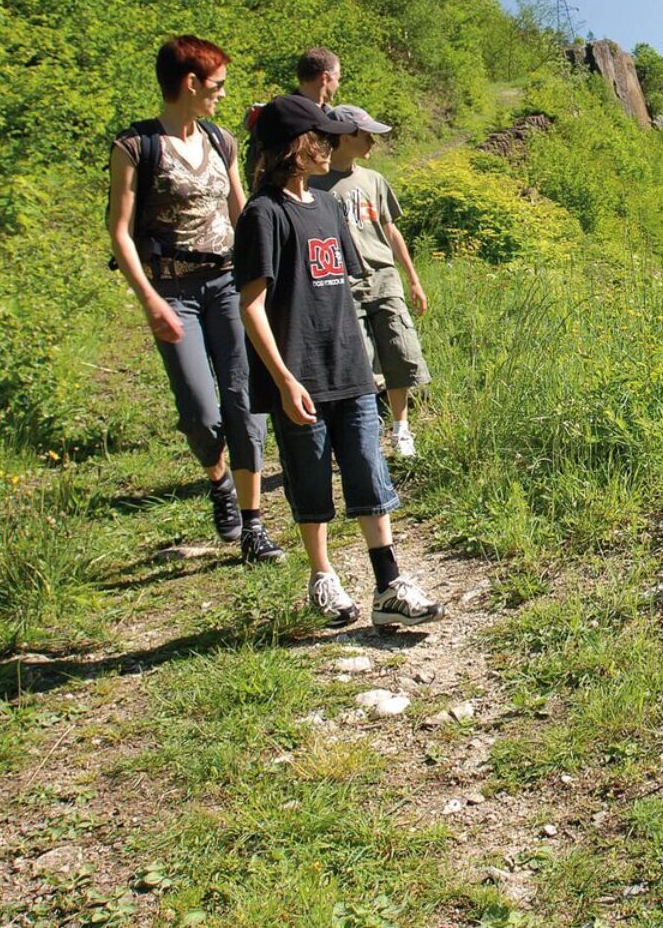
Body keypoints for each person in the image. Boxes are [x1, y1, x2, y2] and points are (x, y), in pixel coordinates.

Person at [234, 96, 441, 629]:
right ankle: (323, 578)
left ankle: (389, 583)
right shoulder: (263, 214)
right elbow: (251, 305)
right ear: (294, 146)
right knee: (309, 478)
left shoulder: (326, 207)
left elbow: (344, 289)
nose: (329, 146)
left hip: (349, 367)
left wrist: (365, 363)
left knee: (369, 471)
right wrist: (282, 380)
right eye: (320, 137)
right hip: (299, 376)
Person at [107, 37, 282, 561]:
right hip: (172, 291)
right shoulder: (135, 147)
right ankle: (219, 477)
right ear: (191, 83)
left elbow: (241, 213)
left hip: (227, 285)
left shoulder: (221, 141)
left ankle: (252, 526)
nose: (222, 95)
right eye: (218, 85)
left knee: (244, 400)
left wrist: (267, 278)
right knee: (201, 412)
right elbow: (118, 231)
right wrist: (149, 301)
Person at [310, 105, 431, 458]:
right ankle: (361, 434)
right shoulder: (314, 184)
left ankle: (401, 429)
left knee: (400, 351)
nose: (373, 144)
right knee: (359, 361)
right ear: (345, 136)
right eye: (366, 136)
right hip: (341, 284)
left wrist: (413, 279)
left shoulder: (374, 180)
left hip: (384, 277)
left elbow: (391, 231)